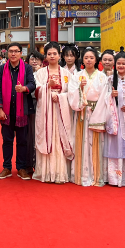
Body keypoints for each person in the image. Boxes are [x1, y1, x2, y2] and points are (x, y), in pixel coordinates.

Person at [33, 42, 75, 183]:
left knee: (60, 137)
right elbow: (36, 91)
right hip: (46, 110)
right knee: (47, 136)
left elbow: (71, 92)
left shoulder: (66, 73)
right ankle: (45, 172)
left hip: (61, 110)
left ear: (59, 55)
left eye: (54, 53)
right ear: (45, 56)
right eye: (49, 54)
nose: (52, 56)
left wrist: (61, 96)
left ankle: (60, 172)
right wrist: (47, 87)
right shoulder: (40, 73)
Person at [0, 42, 36, 180]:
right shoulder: (1, 69)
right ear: (7, 53)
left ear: (20, 53)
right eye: (10, 51)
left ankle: (21, 168)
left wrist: (24, 88)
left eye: (16, 51)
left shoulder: (27, 68)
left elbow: (32, 84)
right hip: (6, 110)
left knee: (22, 141)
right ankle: (6, 167)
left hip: (22, 110)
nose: (13, 54)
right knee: (7, 140)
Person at [99, 52, 125, 187]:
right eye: (118, 63)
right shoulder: (109, 79)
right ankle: (114, 178)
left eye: (123, 63)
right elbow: (103, 98)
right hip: (115, 117)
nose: (121, 65)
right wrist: (111, 95)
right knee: (114, 144)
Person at [70, 47, 108, 186]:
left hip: (97, 111)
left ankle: (96, 173)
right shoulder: (77, 75)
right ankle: (82, 174)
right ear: (82, 60)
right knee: (82, 140)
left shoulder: (102, 76)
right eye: (86, 58)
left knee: (96, 142)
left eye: (91, 57)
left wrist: (98, 109)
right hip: (82, 111)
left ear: (96, 59)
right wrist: (79, 88)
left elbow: (105, 97)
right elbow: (71, 93)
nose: (89, 60)